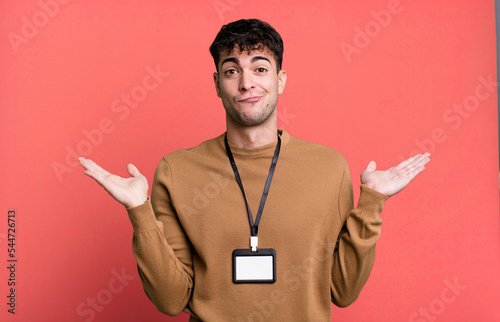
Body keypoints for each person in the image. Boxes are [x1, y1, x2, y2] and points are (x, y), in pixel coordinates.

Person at [78, 19, 430, 321]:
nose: (246, 83)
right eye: (232, 70)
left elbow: (343, 290)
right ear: (217, 83)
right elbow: (171, 301)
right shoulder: (177, 170)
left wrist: (372, 202)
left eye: (260, 68)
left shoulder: (328, 167)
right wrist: (139, 210)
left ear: (280, 80)